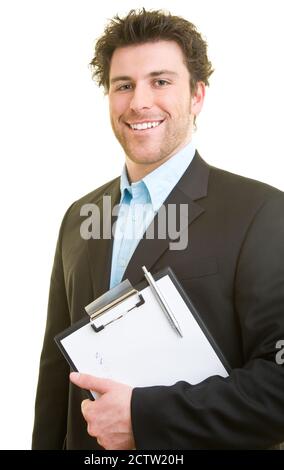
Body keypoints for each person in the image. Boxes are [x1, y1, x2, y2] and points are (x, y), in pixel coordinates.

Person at [32, 8, 284, 450]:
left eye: (161, 82)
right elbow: (57, 381)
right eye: (123, 86)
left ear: (198, 95)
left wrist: (145, 417)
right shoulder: (79, 216)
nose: (138, 102)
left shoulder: (262, 212)